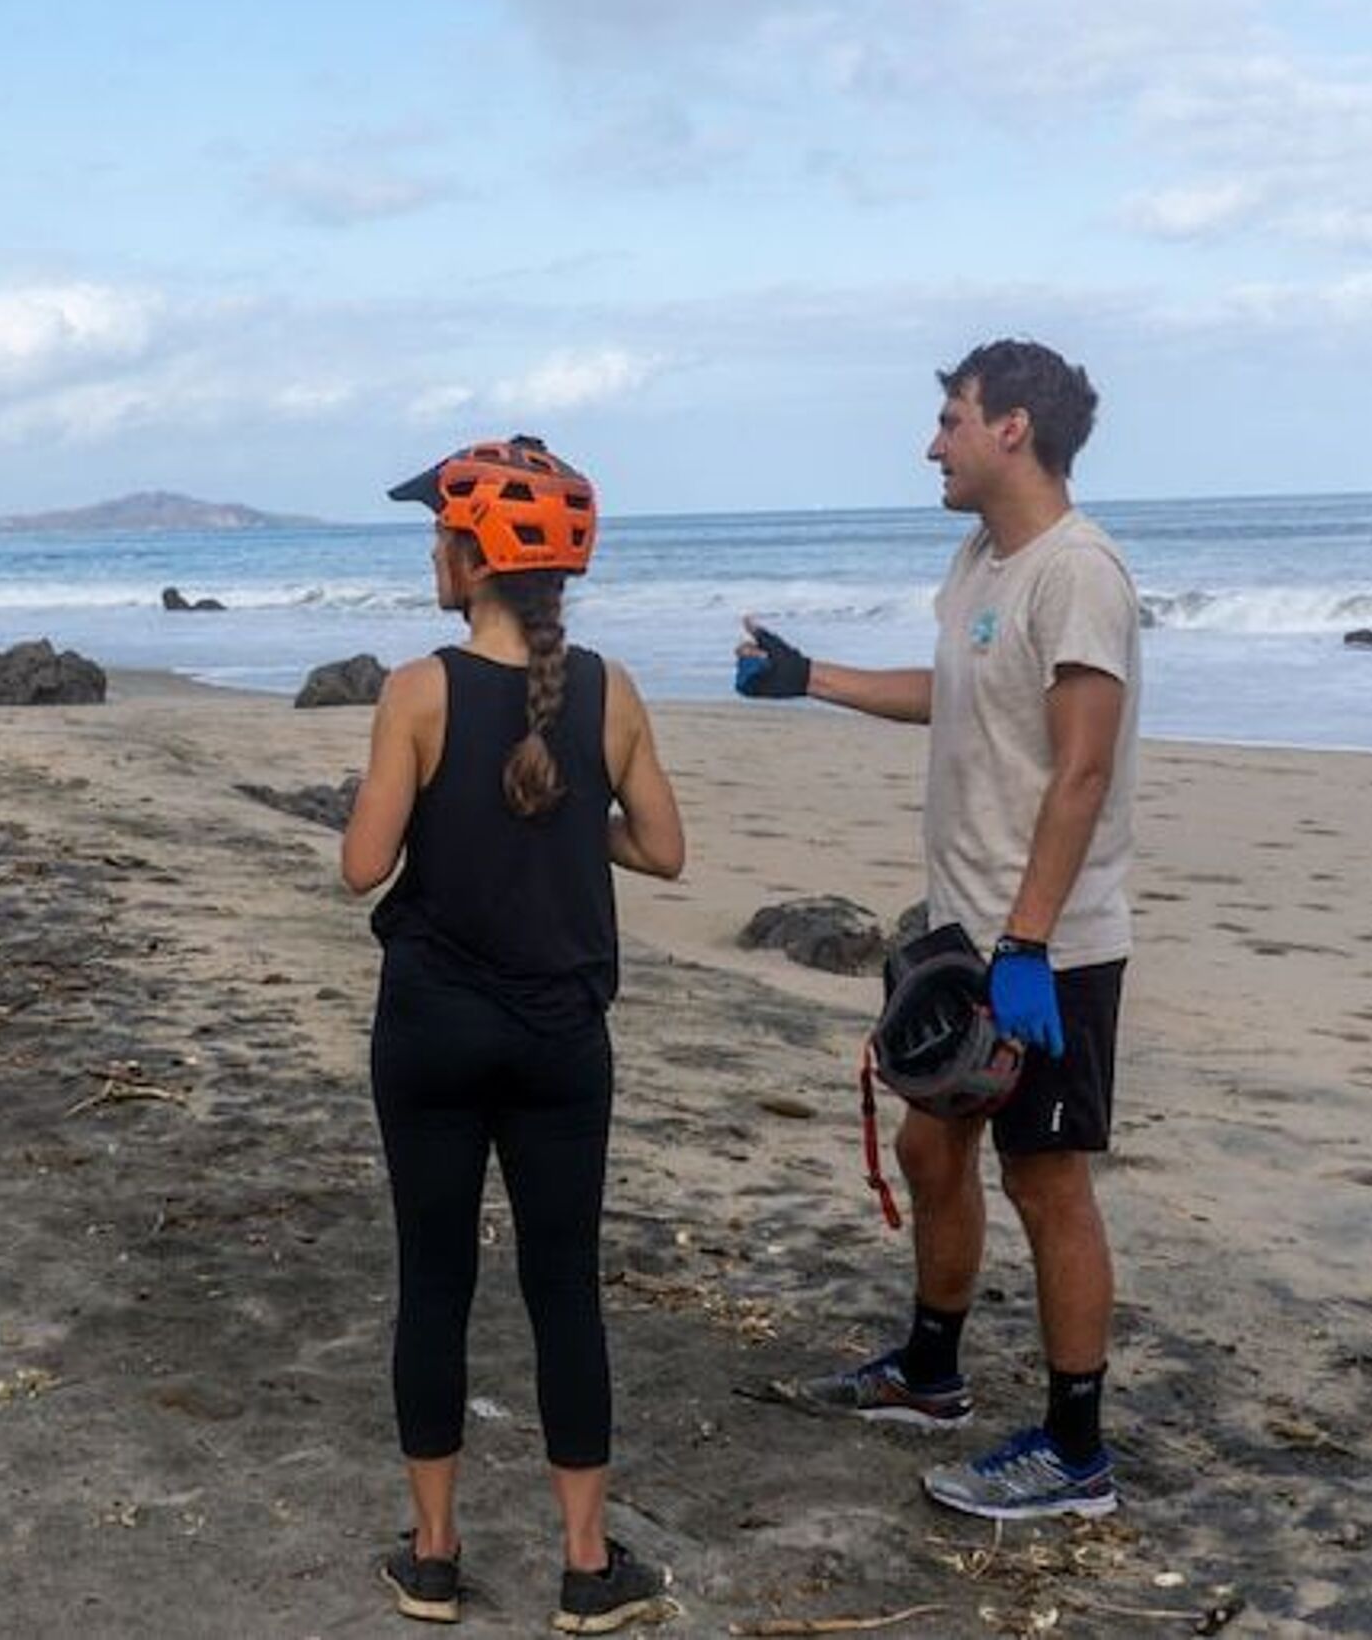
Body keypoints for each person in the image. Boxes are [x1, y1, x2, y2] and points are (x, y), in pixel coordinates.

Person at [736, 340, 1142, 1522]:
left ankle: (1076, 1455)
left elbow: (1080, 773)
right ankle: (930, 1373)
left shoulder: (1081, 574)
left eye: (951, 419)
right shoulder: (982, 561)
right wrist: (812, 678)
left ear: (1012, 427)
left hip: (1047, 947)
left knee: (1048, 1180)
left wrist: (1025, 945)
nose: (933, 443)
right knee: (929, 1150)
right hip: (964, 935)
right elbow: (955, 692)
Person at [343, 436, 688, 1633]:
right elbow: (662, 849)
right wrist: (560, 817)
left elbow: (361, 867)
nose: (431, 551)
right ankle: (588, 1569)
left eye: (439, 533)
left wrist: (454, 808)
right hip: (560, 1042)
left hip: (431, 1030)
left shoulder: (417, 690)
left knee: (433, 1281)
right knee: (564, 1290)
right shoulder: (612, 689)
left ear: (473, 554)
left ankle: (433, 1557)